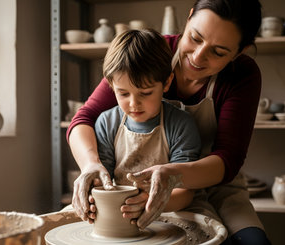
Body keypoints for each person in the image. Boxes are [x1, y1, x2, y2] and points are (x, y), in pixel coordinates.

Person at [68, 0, 271, 244]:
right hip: (132, 192)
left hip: (213, 186)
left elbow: (229, 159)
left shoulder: (242, 75)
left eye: (218, 52)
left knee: (252, 242)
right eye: (195, 37)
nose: (197, 57)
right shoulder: (151, 53)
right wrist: (90, 164)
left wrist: (172, 177)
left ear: (240, 51)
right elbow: (84, 117)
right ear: (189, 18)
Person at [92, 29, 202, 218]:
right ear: (111, 85)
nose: (134, 104)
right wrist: (93, 200)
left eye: (146, 93)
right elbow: (102, 181)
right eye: (123, 94)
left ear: (166, 83)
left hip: (169, 208)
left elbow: (185, 193)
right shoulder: (107, 123)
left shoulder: (180, 124)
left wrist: (152, 203)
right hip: (118, 210)